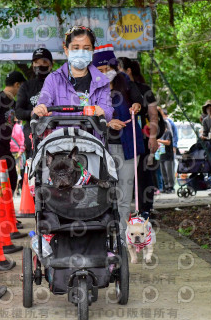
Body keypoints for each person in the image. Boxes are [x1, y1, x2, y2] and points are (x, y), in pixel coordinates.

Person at [93, 45, 144, 228]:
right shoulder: (91, 88)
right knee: (103, 195)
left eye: (109, 69)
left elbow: (138, 98)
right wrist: (107, 123)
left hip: (128, 148)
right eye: (100, 70)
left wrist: (136, 105)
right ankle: (104, 236)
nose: (105, 73)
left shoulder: (124, 81)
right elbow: (88, 114)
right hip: (101, 149)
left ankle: (123, 241)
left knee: (124, 196)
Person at [33, 26, 113, 121]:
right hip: (60, 135)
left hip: (91, 135)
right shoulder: (53, 79)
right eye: (76, 48)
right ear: (66, 50)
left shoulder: (102, 81)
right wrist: (40, 109)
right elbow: (43, 104)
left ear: (92, 51)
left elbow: (108, 111)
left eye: (86, 48)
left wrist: (103, 112)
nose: (81, 52)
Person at [118, 57, 160, 218]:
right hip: (118, 138)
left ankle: (145, 210)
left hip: (139, 137)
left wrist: (153, 137)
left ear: (128, 71)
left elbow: (153, 115)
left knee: (143, 173)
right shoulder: (113, 87)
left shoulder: (144, 89)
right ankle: (123, 211)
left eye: (119, 68)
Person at [15, 48, 53, 157]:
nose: (40, 65)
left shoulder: (59, 84)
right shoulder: (26, 86)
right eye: (36, 62)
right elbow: (18, 112)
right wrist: (32, 113)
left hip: (55, 128)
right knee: (34, 159)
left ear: (51, 65)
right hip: (33, 130)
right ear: (32, 65)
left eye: (44, 62)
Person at [158, 108, 175, 193]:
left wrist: (158, 140)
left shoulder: (168, 132)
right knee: (163, 172)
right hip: (162, 155)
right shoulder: (160, 134)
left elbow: (168, 142)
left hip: (168, 155)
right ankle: (166, 186)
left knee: (169, 172)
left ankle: (171, 187)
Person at [10, 120, 26, 189]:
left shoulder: (18, 128)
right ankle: (14, 189)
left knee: (20, 172)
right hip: (9, 154)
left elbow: (22, 140)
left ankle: (21, 188)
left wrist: (20, 151)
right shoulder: (5, 127)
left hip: (17, 153)